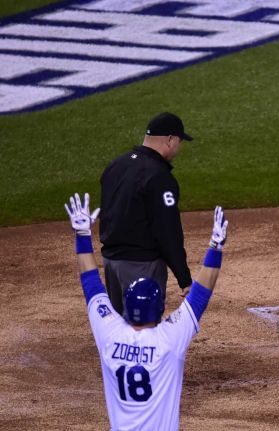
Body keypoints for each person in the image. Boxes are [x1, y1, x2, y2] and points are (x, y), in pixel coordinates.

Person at [65, 192, 228, 430]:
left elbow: (92, 286)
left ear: (126, 307)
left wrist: (82, 235)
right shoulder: (168, 341)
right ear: (160, 308)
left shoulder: (110, 334)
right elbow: (200, 295)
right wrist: (215, 247)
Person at [100, 112, 195, 315]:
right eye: (179, 141)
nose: (179, 147)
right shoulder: (159, 176)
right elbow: (168, 231)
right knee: (143, 328)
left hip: (110, 264)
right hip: (140, 267)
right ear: (170, 140)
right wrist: (184, 278)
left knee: (118, 329)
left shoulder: (117, 165)